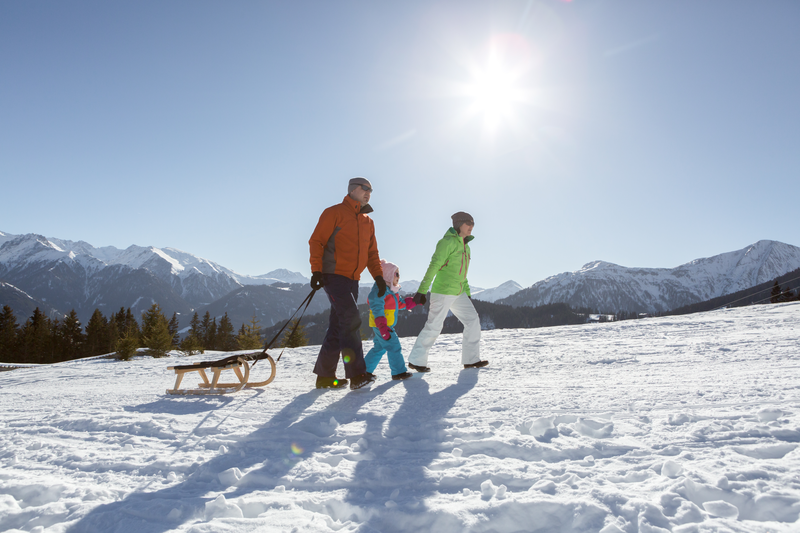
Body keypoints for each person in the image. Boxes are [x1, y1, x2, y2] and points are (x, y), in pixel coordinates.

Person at [308, 177, 386, 390]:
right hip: (333, 275)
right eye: (365, 188)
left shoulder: (368, 222)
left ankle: (325, 377)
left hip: (353, 280)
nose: (369, 192)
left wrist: (378, 277)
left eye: (371, 189)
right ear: (353, 190)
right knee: (351, 319)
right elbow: (317, 241)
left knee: (338, 325)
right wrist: (316, 270)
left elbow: (372, 253)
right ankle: (357, 374)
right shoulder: (334, 213)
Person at [407, 212, 487, 371]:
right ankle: (417, 360)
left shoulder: (467, 247)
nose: (471, 226)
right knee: (434, 326)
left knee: (472, 320)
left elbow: (463, 275)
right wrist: (422, 291)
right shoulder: (447, 242)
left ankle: (471, 360)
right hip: (443, 291)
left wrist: (468, 294)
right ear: (458, 224)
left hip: (459, 292)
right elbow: (434, 266)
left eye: (473, 224)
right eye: (468, 223)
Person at [365, 260, 417, 381]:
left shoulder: (392, 291)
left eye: (399, 274)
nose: (399, 277)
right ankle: (398, 372)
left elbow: (400, 304)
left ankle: (364, 371)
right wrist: (382, 326)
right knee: (394, 346)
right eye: (396, 274)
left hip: (383, 325)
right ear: (387, 275)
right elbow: (376, 306)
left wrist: (414, 301)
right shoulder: (380, 290)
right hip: (382, 326)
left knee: (379, 348)